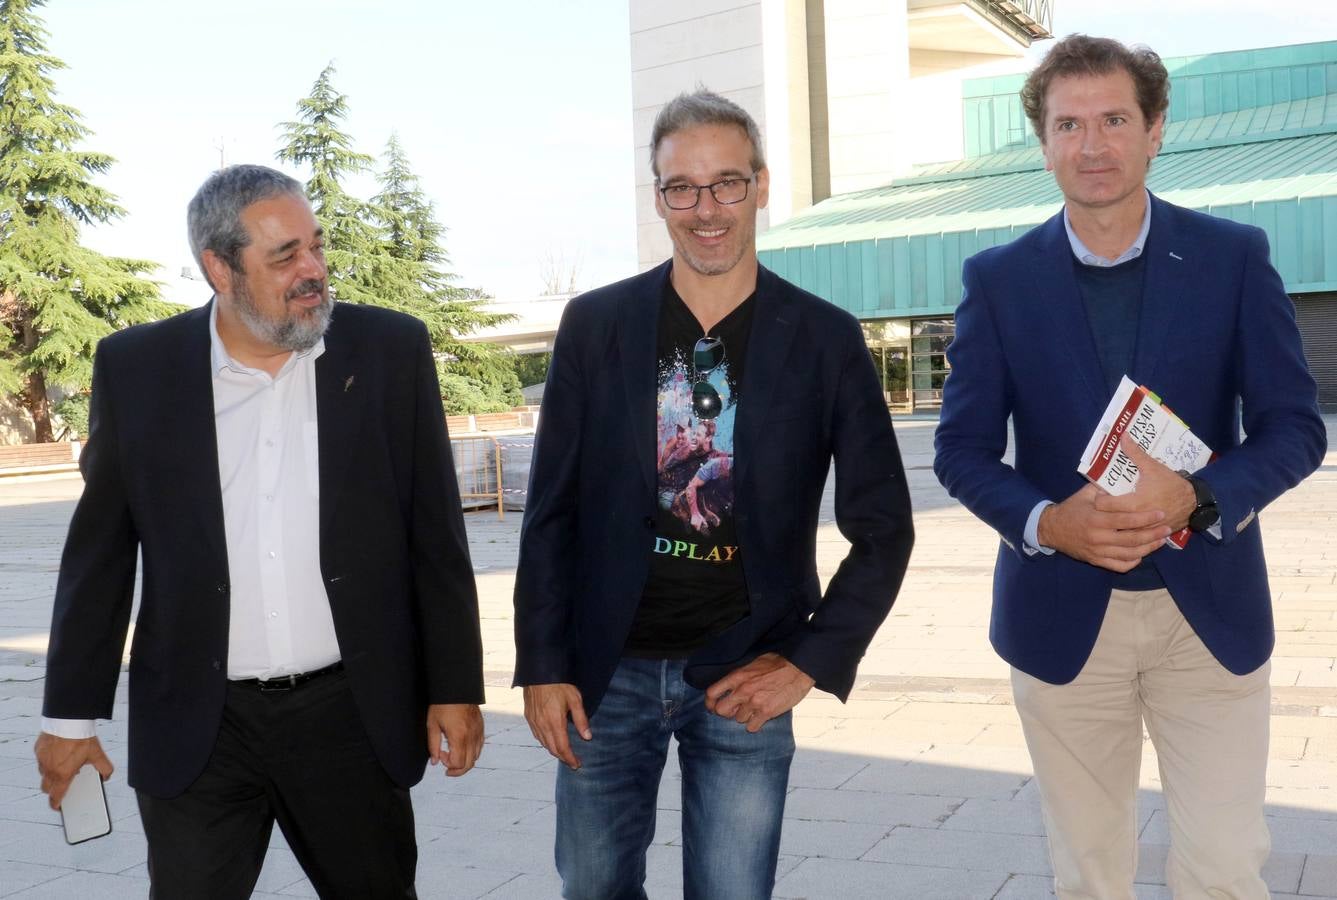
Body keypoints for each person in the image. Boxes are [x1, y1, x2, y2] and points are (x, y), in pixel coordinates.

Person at [934, 35, 1327, 899]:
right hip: (1061, 620)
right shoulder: (996, 280)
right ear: (1041, 143)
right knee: (1086, 870)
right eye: (1068, 124)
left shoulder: (1232, 259)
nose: (1092, 144)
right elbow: (959, 450)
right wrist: (1048, 522)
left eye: (1114, 119)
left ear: (1154, 130)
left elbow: (1294, 428)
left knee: (1224, 867)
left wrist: (1198, 494)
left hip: (1208, 616)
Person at [35, 164, 486, 899]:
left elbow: (435, 537)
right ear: (219, 268)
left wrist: (455, 686)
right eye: (284, 257)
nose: (312, 271)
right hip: (199, 726)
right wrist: (69, 718)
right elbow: (100, 557)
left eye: (315, 246)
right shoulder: (139, 369)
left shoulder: (387, 352)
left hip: (349, 716)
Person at [513, 89, 915, 900]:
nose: (705, 209)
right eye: (681, 188)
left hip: (742, 670)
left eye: (727, 183)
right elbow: (550, 510)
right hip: (604, 673)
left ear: (761, 186)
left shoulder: (825, 338)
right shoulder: (595, 325)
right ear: (657, 196)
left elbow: (883, 530)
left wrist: (808, 660)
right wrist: (543, 664)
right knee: (591, 888)